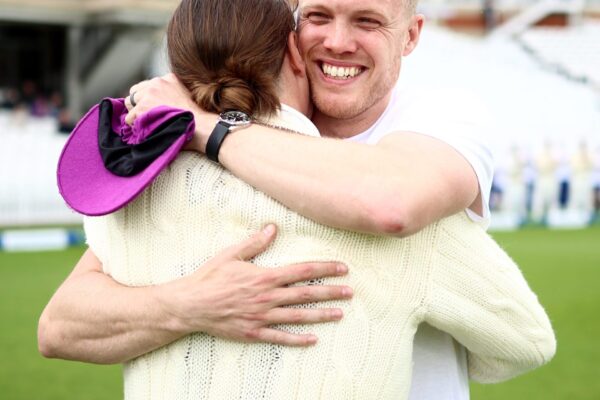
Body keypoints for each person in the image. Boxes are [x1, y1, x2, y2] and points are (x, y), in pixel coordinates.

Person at [38, 0, 551, 399]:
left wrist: (206, 127)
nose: (338, 41)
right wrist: (192, 304)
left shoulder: (441, 117)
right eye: (319, 16)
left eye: (368, 21)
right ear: (290, 40)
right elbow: (60, 325)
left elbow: (390, 202)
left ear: (411, 35)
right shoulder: (172, 176)